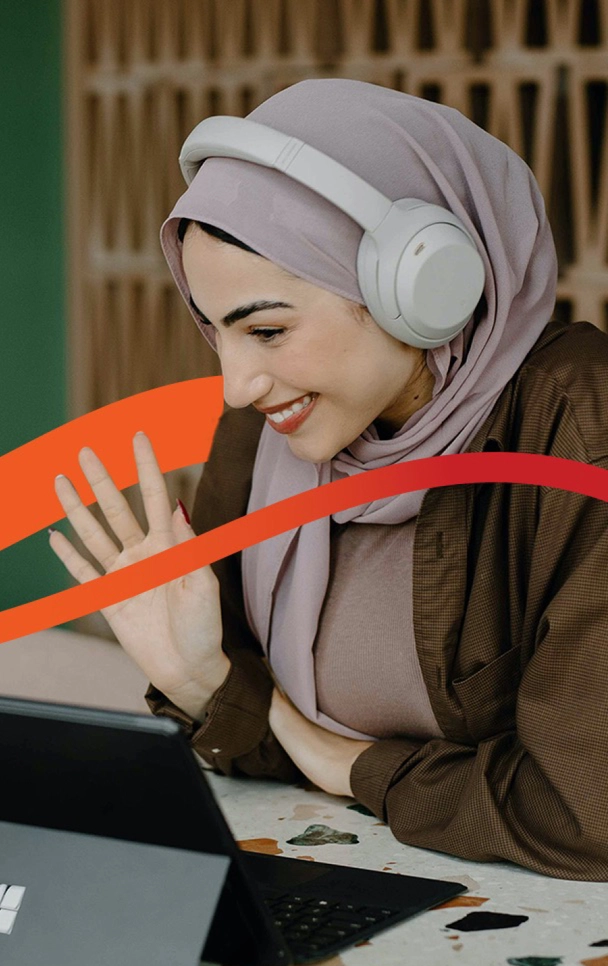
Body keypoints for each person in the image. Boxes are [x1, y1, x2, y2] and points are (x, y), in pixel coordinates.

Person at [49, 79, 608, 881]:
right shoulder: (269, 429)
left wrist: (345, 762)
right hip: (340, 876)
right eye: (218, 335)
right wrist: (204, 682)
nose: (238, 385)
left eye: (269, 330)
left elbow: (583, 815)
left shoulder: (579, 432)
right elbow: (248, 749)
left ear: (420, 286)